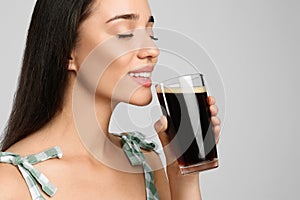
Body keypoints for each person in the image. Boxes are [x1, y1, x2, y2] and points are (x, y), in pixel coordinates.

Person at [0, 0, 221, 199]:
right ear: (67, 51)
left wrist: (182, 172)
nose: (152, 50)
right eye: (125, 33)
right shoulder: (10, 182)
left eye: (150, 33)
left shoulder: (145, 164)